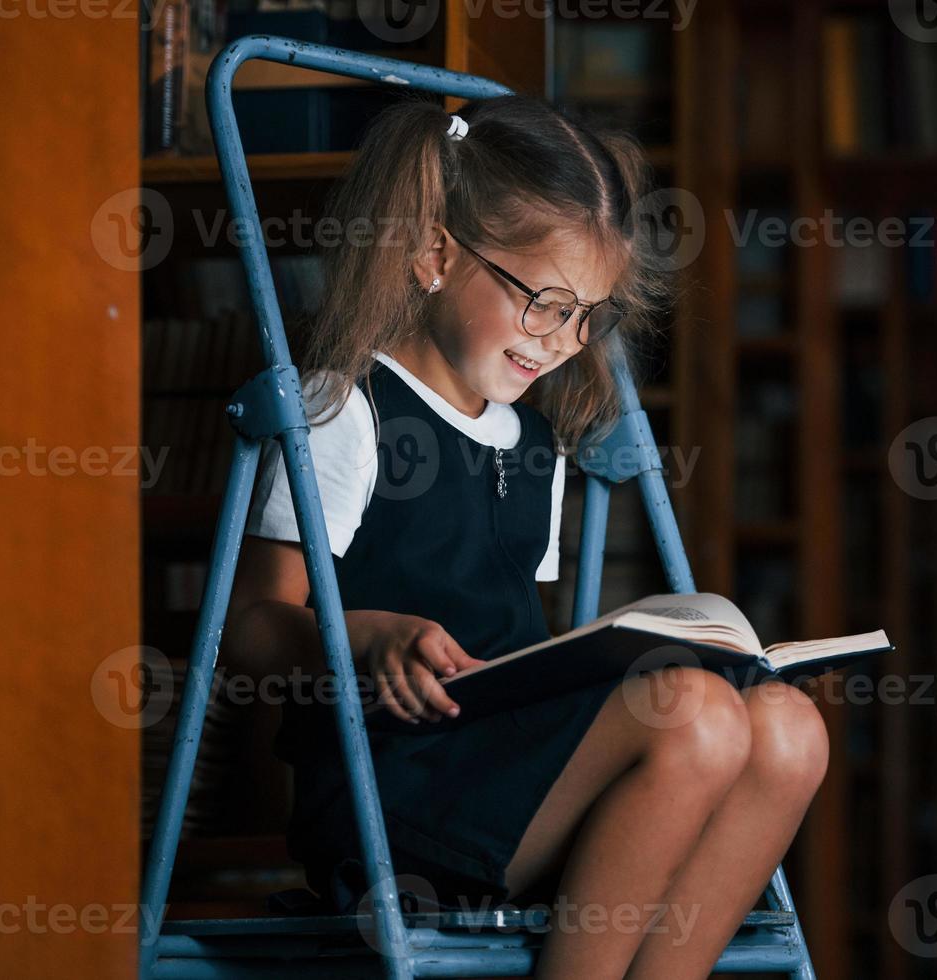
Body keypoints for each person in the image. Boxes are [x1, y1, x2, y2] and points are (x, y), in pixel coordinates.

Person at [219, 95, 829, 979]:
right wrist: (362, 633)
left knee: (789, 728)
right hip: (394, 784)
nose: (563, 341)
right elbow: (246, 628)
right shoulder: (343, 411)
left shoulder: (532, 442)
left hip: (503, 766)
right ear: (434, 256)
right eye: (545, 302)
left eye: (588, 315)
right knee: (693, 717)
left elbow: (517, 645)